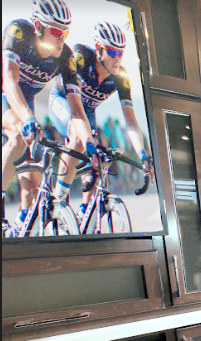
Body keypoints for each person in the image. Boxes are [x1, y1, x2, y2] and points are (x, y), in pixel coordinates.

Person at [2, 0, 97, 234]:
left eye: (65, 32)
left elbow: (77, 111)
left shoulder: (65, 56)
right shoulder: (19, 32)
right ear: (38, 26)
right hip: (7, 93)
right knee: (18, 136)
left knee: (31, 187)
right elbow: (10, 81)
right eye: (55, 31)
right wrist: (28, 119)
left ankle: (17, 233)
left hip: (25, 103)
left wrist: (89, 144)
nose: (61, 38)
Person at [49, 20, 152, 217]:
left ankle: (83, 214)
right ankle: (58, 200)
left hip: (87, 112)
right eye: (112, 52)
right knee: (78, 138)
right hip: (63, 102)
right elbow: (75, 108)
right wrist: (87, 140)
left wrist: (142, 153)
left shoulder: (121, 77)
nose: (117, 58)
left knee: (100, 160)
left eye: (121, 53)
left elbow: (130, 120)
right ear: (99, 49)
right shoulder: (81, 57)